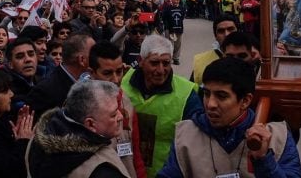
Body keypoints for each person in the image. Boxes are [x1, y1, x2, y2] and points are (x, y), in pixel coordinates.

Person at [158, 58, 301, 178]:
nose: (210, 104)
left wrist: (263, 159)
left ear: (245, 101)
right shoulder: (186, 135)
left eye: (221, 96)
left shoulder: (277, 137)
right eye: (207, 94)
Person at [121, 35, 202, 178]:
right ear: (141, 61)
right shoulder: (123, 81)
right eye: (154, 63)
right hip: (127, 169)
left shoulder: (187, 94)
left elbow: (197, 140)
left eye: (166, 63)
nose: (161, 70)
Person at [27, 80, 130, 178]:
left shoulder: (35, 142)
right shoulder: (102, 170)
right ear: (90, 124)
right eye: (113, 114)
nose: (120, 116)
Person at [89, 41, 146, 178]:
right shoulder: (80, 108)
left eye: (119, 71)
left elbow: (136, 152)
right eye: (108, 73)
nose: (115, 79)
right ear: (92, 73)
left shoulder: (126, 102)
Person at [25, 34, 95, 118]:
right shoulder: (46, 91)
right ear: (82, 60)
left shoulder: (89, 80)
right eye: (94, 53)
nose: (98, 57)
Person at [189, 14, 238, 85]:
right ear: (216, 36)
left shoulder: (250, 57)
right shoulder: (200, 61)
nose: (227, 34)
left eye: (231, 29)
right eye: (221, 31)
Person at [161, 0, 185, 65]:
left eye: (177, 0)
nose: (175, 1)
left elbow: (182, 18)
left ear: (179, 0)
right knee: (170, 44)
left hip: (179, 29)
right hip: (170, 30)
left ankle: (176, 58)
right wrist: (167, 27)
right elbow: (164, 18)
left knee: (178, 44)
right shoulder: (167, 8)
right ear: (172, 0)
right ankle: (168, 58)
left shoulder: (182, 8)